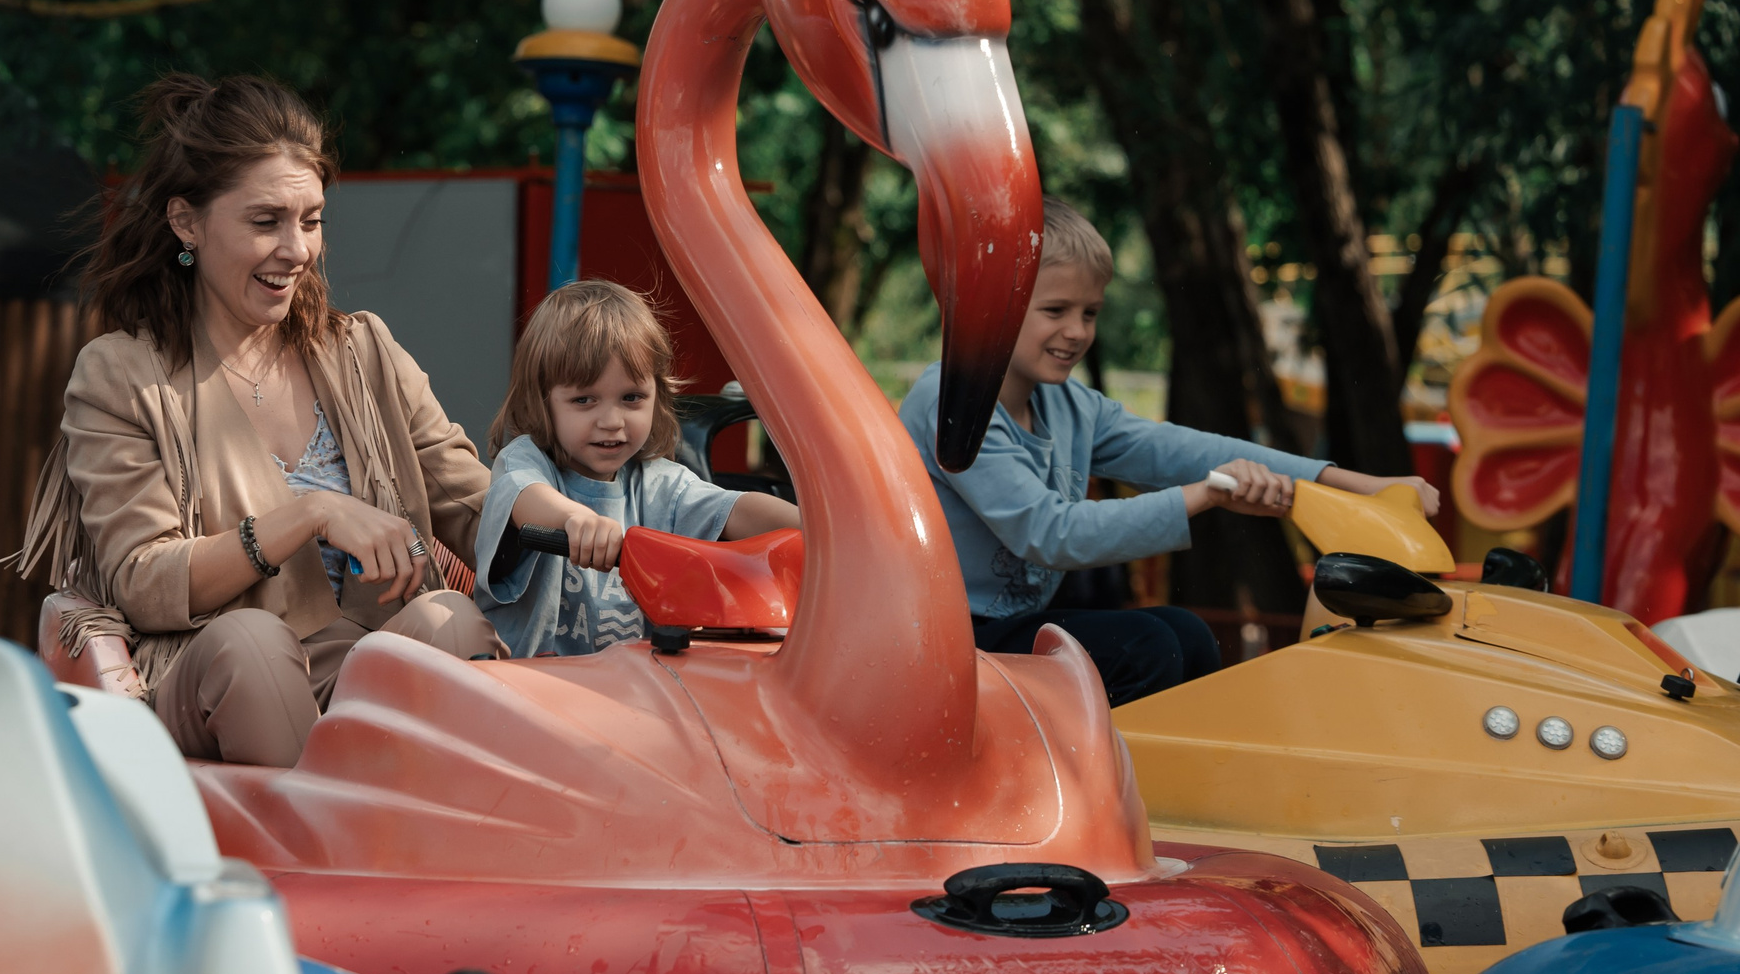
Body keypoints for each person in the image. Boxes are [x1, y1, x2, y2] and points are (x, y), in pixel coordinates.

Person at [14, 73, 500, 767]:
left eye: (311, 221)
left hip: (359, 661)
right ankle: (320, 833)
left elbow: (476, 501)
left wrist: (601, 520)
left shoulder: (363, 351)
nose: (297, 249)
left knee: (448, 621)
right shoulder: (120, 374)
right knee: (254, 644)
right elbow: (144, 580)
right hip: (210, 673)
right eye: (266, 221)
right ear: (187, 222)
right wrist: (313, 514)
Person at [900, 199, 1440, 704]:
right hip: (938, 638)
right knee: (1146, 648)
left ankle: (1181, 774)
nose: (1077, 331)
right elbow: (1050, 532)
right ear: (994, 303)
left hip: (1004, 630)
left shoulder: (1068, 406)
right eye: (1056, 310)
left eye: (1090, 313)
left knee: (1187, 633)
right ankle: (1104, 775)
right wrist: (1207, 494)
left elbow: (1185, 451)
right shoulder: (953, 401)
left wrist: (1361, 485)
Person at [474, 280, 801, 658]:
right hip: (528, 681)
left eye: (631, 398)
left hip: (631, 684)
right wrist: (574, 519)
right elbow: (522, 495)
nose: (612, 421)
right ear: (542, 401)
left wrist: (821, 529)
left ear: (656, 396)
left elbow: (736, 508)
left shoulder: (660, 485)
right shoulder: (527, 462)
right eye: (584, 400)